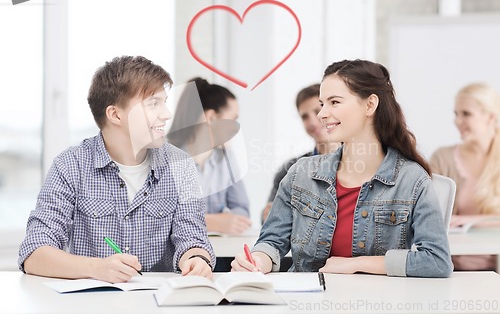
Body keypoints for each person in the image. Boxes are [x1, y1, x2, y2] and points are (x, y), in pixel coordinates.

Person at [231, 59, 453, 277]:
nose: (321, 114)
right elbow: (271, 242)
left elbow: (436, 260)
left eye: (334, 102)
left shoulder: (412, 180)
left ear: (370, 105)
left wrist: (356, 264)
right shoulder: (301, 174)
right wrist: (257, 260)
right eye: (322, 104)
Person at [18, 56, 215, 283]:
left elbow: (192, 237)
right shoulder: (70, 165)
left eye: (164, 102)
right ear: (115, 114)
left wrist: (196, 259)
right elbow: (34, 253)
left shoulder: (180, 165)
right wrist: (95, 268)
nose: (166, 114)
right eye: (153, 104)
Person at [167, 77, 251, 235]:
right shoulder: (166, 157)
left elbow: (242, 209)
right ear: (211, 117)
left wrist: (229, 219)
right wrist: (210, 221)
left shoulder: (226, 159)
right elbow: (155, 217)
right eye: (233, 119)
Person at [430, 83, 500, 271]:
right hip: (453, 266)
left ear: (490, 117)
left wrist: (472, 220)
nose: (458, 121)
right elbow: (428, 213)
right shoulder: (442, 158)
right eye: (456, 114)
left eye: (466, 114)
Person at [261, 84, 340, 223]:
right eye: (305, 117)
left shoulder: (358, 163)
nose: (312, 123)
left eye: (317, 111)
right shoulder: (290, 169)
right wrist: (268, 214)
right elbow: (268, 221)